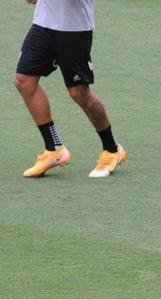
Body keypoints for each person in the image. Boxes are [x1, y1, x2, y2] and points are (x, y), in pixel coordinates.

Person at [14, 0, 127, 178]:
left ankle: (112, 149)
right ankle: (54, 148)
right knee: (24, 81)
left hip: (75, 30)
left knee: (79, 93)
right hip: (43, 24)